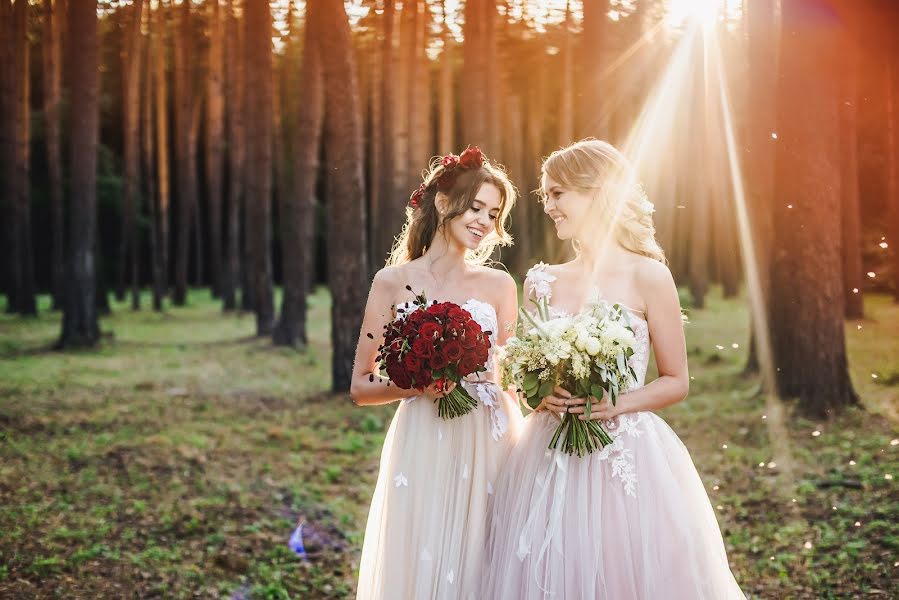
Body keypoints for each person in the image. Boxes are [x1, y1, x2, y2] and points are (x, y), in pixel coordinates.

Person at [483, 139, 744, 599]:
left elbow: (676, 381)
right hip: (548, 450)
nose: (549, 206)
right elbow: (525, 374)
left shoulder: (649, 275)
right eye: (546, 195)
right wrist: (537, 396)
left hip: (625, 454)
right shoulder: (542, 281)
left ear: (597, 192)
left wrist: (615, 404)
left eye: (557, 193)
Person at [352, 146, 523, 599]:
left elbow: (515, 376)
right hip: (426, 434)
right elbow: (361, 385)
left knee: (486, 554)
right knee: (426, 550)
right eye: (476, 207)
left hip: (490, 434)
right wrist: (415, 384)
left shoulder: (500, 285)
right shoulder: (391, 282)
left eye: (494, 213)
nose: (485, 221)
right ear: (444, 203)